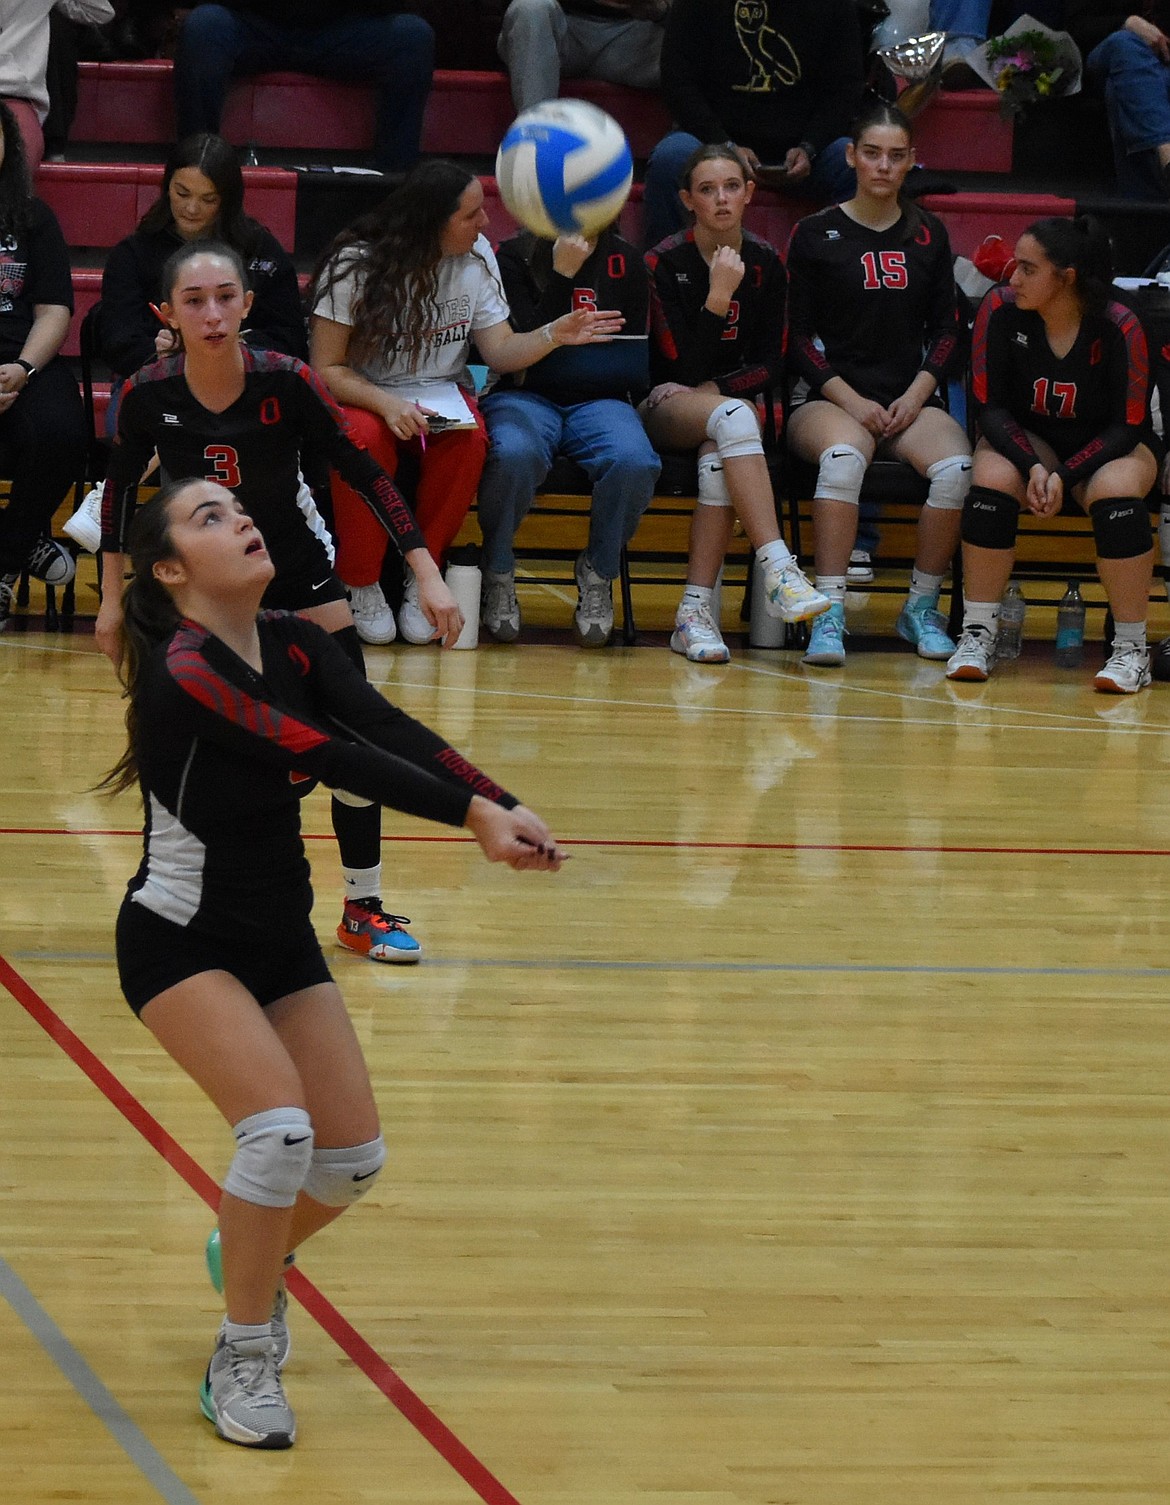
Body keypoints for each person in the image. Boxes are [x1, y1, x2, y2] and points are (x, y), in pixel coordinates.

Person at [100, 474, 565, 1449]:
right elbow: (327, 751)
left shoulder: (303, 642)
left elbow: (385, 728)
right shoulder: (184, 669)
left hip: (279, 938)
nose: (241, 519)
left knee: (350, 1161)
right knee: (274, 1131)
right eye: (208, 517)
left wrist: (498, 796)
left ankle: (248, 1251)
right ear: (172, 570)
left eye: (238, 508)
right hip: (180, 939)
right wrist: (471, 816)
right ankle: (243, 1349)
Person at [95, 241, 464, 963]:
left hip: (294, 576)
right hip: (197, 599)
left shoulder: (286, 380)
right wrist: (112, 602)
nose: (212, 314)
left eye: (226, 296)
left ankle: (363, 908)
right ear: (164, 313)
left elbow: (363, 471)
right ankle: (163, 890)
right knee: (178, 748)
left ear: (248, 304)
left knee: (357, 742)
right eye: (194, 301)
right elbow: (116, 499)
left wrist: (426, 570)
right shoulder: (148, 392)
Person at [308, 158, 624, 646]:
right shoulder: (355, 264)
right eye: (471, 215)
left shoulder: (477, 255)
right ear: (432, 223)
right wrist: (387, 404)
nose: (486, 223)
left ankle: (425, 578)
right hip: (365, 393)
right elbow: (325, 370)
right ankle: (361, 582)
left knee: (468, 441)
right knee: (362, 439)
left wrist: (553, 334)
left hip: (440, 391)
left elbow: (499, 351)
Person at [785, 101, 971, 670]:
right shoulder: (816, 232)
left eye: (896, 156)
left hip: (908, 397)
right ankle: (830, 611)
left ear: (912, 161)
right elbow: (795, 339)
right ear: (851, 157)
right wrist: (851, 399)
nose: (884, 166)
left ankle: (920, 607)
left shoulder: (929, 234)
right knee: (842, 461)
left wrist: (916, 395)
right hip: (830, 399)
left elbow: (947, 331)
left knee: (957, 470)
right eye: (872, 154)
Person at [947, 215, 1159, 692]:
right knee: (992, 476)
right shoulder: (999, 311)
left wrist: (1067, 472)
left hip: (1112, 443)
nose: (1012, 279)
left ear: (1067, 277)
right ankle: (977, 632)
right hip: (1030, 438)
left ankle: (1131, 649)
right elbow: (990, 408)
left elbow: (1131, 424)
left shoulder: (1122, 322)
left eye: (1027, 269)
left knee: (1117, 494)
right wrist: (1036, 467)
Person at [643, 143, 829, 664]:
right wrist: (719, 295)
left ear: (749, 193)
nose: (721, 199)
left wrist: (717, 392)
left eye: (731, 187)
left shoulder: (768, 263)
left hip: (725, 410)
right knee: (732, 417)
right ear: (687, 200)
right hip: (664, 407)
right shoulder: (662, 263)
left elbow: (775, 361)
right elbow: (679, 370)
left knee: (717, 458)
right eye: (707, 190)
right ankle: (780, 568)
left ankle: (694, 615)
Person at [477, 224, 660, 646]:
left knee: (635, 461)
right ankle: (499, 566)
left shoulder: (627, 259)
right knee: (514, 453)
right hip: (522, 396)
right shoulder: (513, 256)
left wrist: (556, 360)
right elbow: (513, 355)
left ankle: (598, 571)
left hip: (601, 401)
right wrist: (561, 277)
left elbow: (632, 366)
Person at [641, 0, 862, 249]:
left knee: (860, 163)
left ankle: (850, 274)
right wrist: (724, 144)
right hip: (712, 144)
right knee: (670, 158)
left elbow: (845, 87)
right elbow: (678, 80)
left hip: (805, 152)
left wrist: (810, 146)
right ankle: (661, 276)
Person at [99, 133, 306, 398]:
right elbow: (117, 344)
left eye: (208, 199)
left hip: (250, 386)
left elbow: (291, 339)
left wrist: (236, 346)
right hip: (158, 386)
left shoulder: (260, 250)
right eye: (182, 193)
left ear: (227, 200)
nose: (192, 208)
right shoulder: (133, 254)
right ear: (166, 187)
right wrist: (163, 354)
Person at [0, 98, 86, 629]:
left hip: (24, 361)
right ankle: (25, 540)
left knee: (61, 432)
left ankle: (5, 563)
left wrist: (23, 369)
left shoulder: (33, 217)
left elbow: (54, 309)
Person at [172, 1, 435, 175]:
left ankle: (392, 182)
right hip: (255, 24)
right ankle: (196, 169)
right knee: (203, 27)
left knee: (413, 36)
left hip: (342, 29)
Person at [1070, 0, 1170, 199]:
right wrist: (1128, 22)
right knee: (1123, 44)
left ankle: (1145, 213)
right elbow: (1076, 28)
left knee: (1121, 90)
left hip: (1155, 71)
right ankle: (1167, 151)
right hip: (1111, 57)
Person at [496, 0, 669, 113]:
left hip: (635, 36)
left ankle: (684, 149)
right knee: (530, 7)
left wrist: (661, 9)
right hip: (559, 29)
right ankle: (536, 139)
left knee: (687, 34)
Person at [0, 0, 112, 171]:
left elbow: (101, 11)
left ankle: (54, 144)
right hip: (17, 92)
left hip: (15, 95)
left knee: (17, 162)